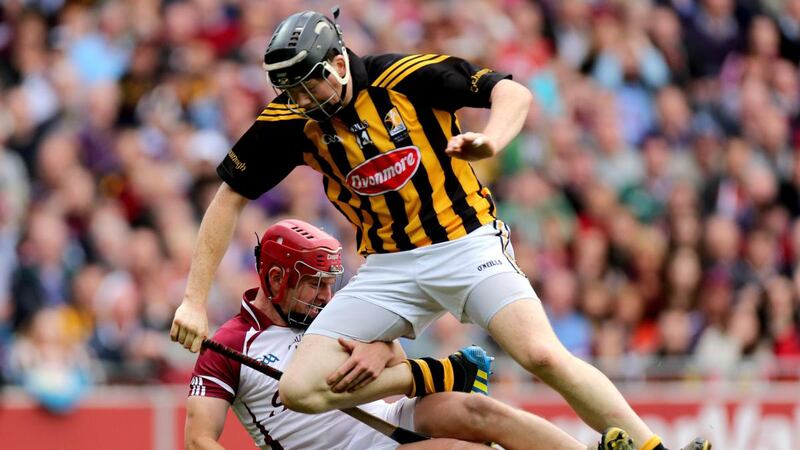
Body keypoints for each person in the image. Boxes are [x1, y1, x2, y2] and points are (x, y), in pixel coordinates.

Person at [171, 9, 710, 450]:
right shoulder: (291, 120)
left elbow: (512, 93)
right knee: (299, 389)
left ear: (337, 62)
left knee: (542, 355)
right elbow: (228, 198)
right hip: (388, 266)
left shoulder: (403, 75)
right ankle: (433, 374)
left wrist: (492, 140)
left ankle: (648, 448)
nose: (299, 101)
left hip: (465, 240)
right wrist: (194, 300)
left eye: (307, 84)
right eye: (289, 90)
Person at [184, 218, 617, 450]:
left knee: (482, 411)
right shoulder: (228, 345)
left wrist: (382, 348)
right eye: (314, 283)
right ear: (276, 279)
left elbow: (389, 349)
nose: (327, 294)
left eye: (330, 281)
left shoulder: (330, 315)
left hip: (388, 417)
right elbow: (199, 439)